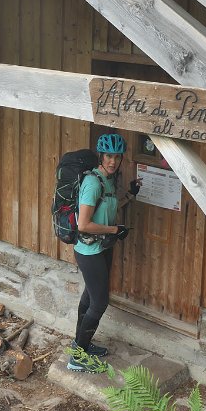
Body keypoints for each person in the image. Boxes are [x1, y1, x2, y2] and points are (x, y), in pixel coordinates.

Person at [68, 133, 140, 372]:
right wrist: (114, 229)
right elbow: (84, 225)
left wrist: (130, 195)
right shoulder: (92, 182)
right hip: (89, 251)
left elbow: (108, 206)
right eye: (109, 156)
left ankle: (81, 346)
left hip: (101, 248)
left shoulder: (107, 181)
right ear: (101, 156)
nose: (112, 161)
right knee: (99, 302)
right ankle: (78, 355)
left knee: (89, 297)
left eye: (117, 157)